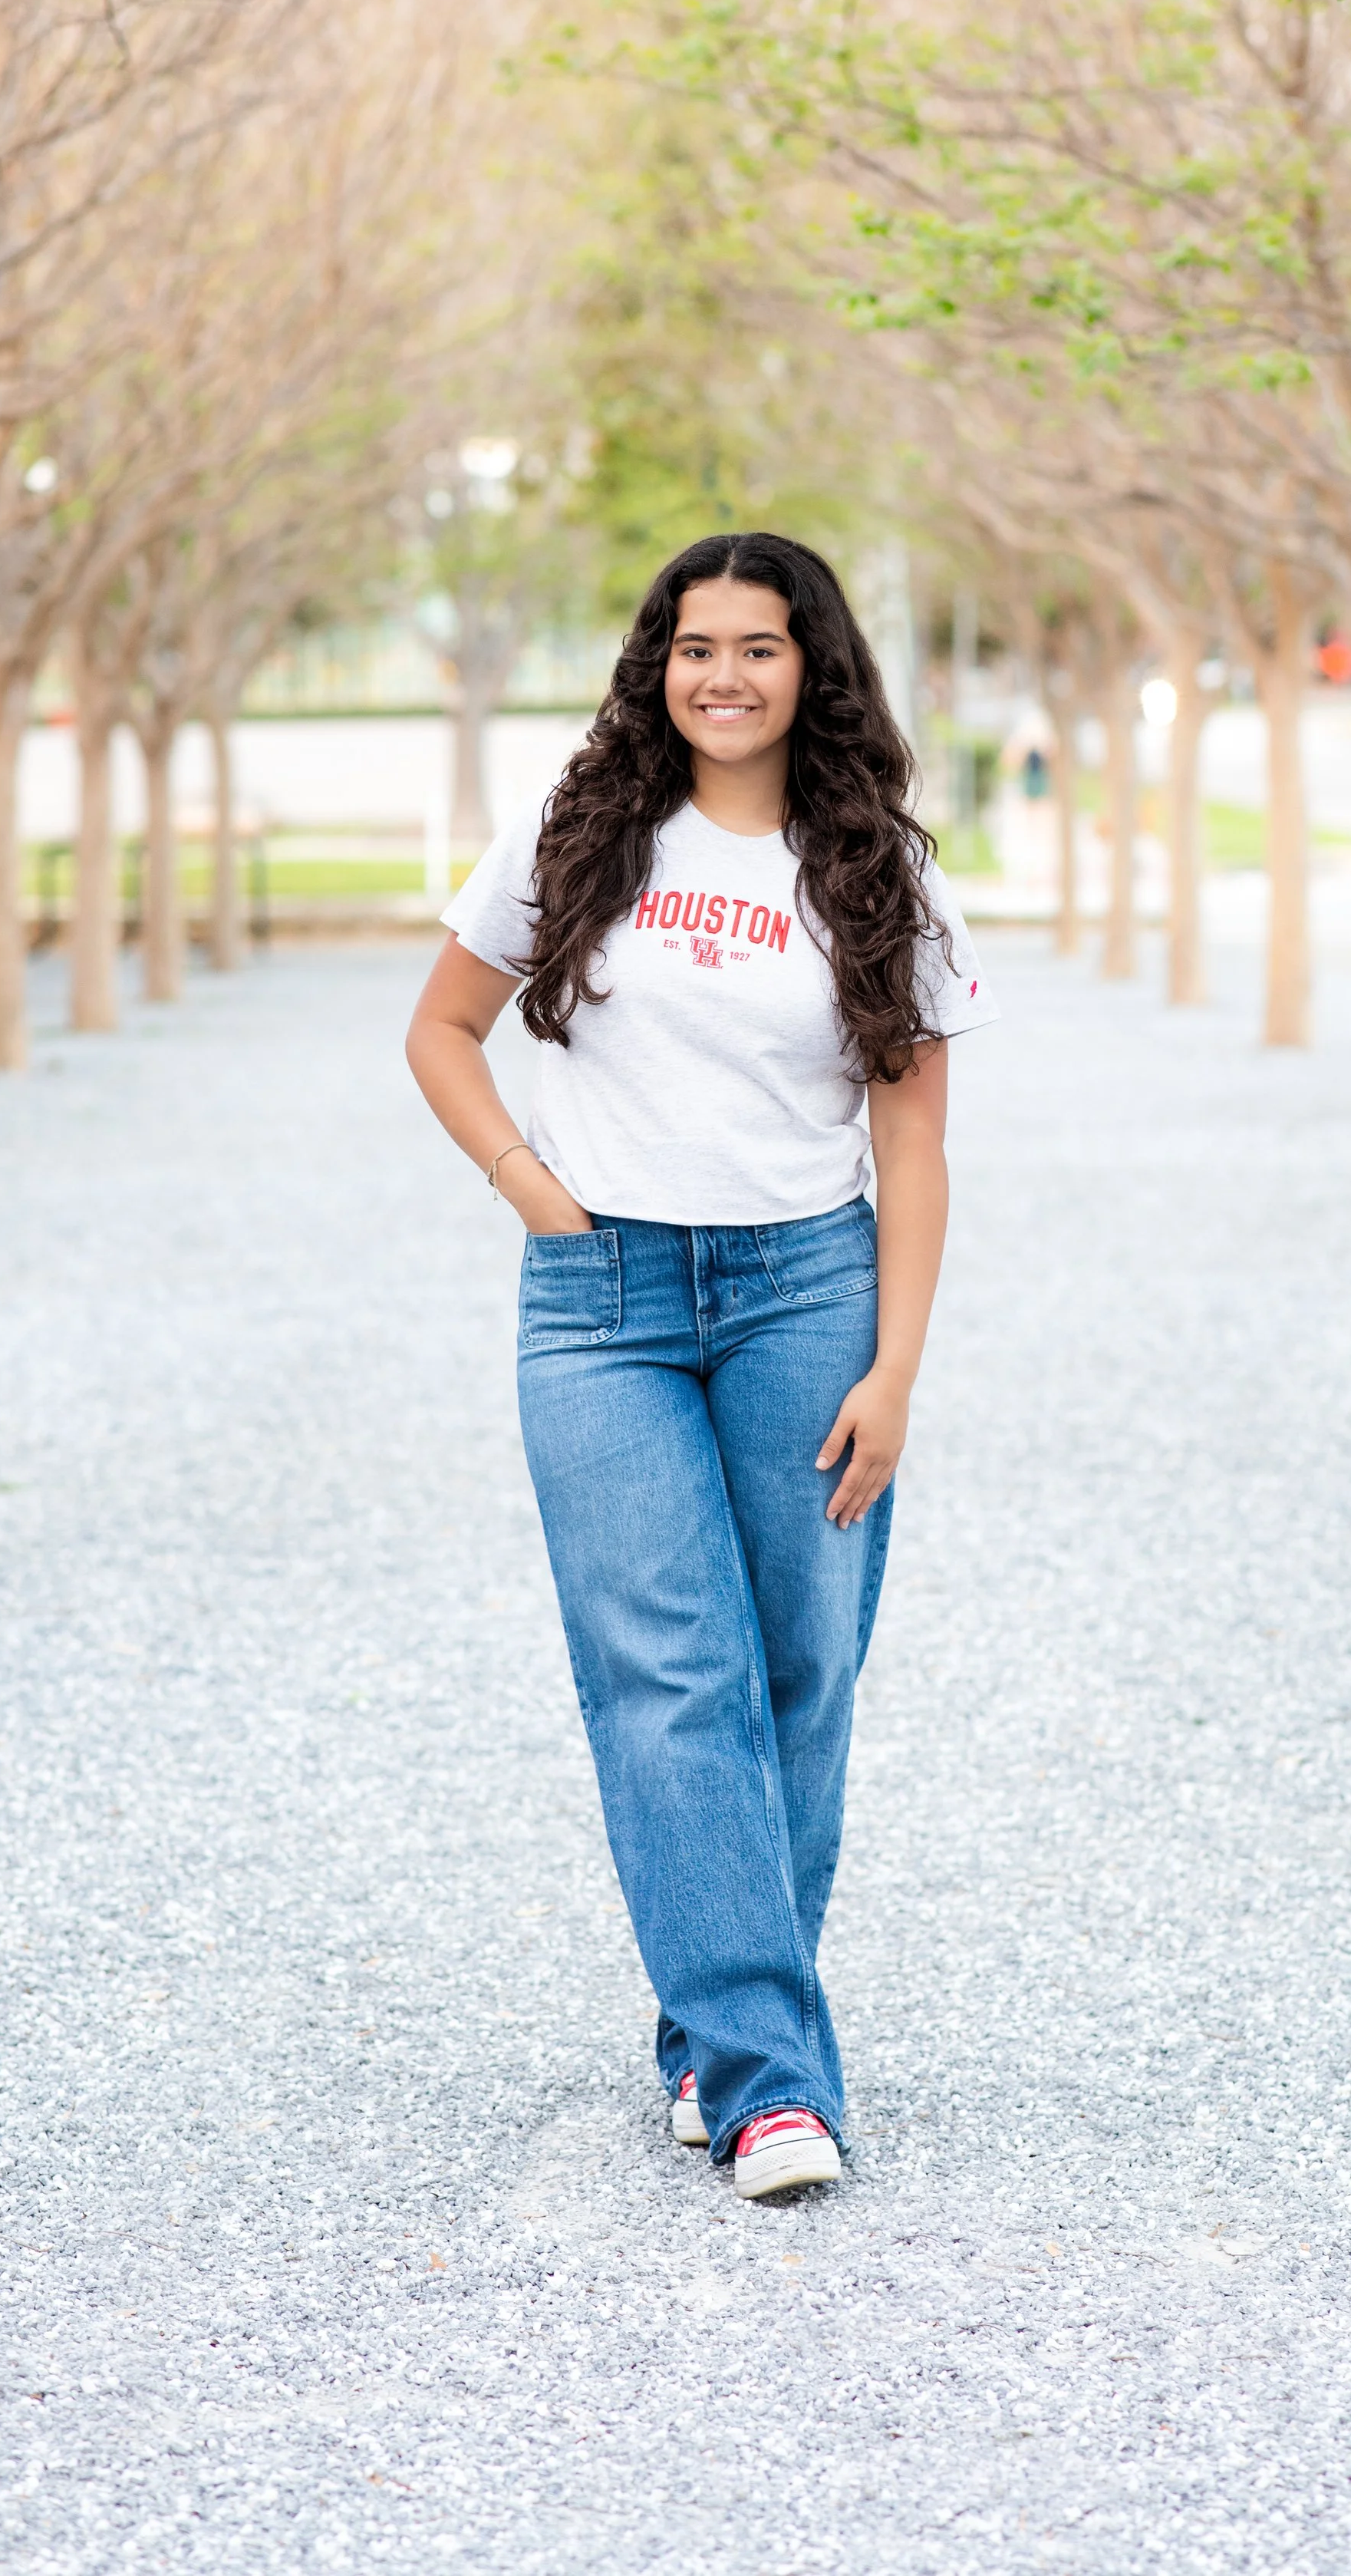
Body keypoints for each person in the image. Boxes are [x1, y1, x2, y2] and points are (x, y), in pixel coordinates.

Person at [405, 532, 993, 2198]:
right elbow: (437, 1030)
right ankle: (765, 2084)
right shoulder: (578, 831)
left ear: (814, 667)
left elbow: (916, 1144)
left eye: (757, 646)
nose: (720, 674)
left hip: (805, 1295)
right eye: (691, 646)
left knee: (798, 1671)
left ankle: (716, 2032)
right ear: (653, 665)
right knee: (669, 1678)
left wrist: (894, 1367)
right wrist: (537, 1197)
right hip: (600, 1306)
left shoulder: (877, 870)